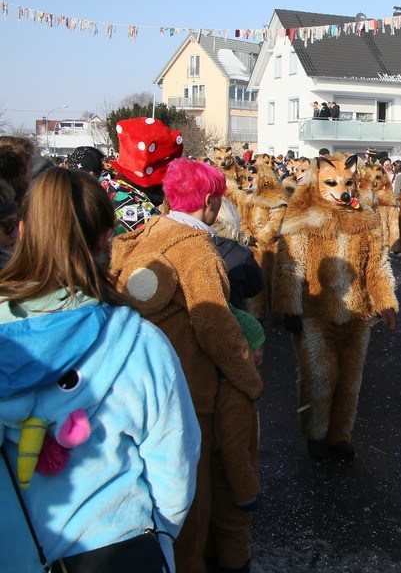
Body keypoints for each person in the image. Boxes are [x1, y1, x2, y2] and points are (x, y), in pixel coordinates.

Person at [0, 167, 200, 573]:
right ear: (106, 240)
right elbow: (174, 464)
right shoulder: (141, 342)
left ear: (21, 231)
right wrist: (157, 536)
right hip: (118, 546)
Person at [110, 159, 262, 573]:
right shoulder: (194, 246)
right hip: (189, 387)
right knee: (195, 496)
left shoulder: (150, 232)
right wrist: (247, 377)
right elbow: (213, 321)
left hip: (141, 380)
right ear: (211, 202)